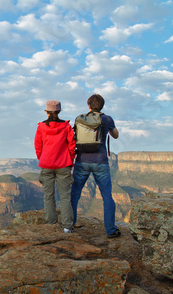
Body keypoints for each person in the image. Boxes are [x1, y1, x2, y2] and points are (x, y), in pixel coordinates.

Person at [70, 94, 121, 238]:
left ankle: (70, 226)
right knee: (106, 196)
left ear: (89, 105)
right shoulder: (107, 119)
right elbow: (116, 135)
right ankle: (110, 230)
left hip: (81, 161)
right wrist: (109, 127)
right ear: (102, 106)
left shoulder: (80, 118)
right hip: (100, 162)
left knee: (75, 195)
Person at [34, 100, 76, 233]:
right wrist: (70, 160)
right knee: (65, 196)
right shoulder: (66, 126)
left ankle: (51, 223)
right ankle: (67, 227)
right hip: (64, 164)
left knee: (48, 195)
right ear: (59, 111)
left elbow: (38, 146)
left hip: (46, 165)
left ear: (46, 112)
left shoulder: (41, 127)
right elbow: (72, 145)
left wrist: (43, 158)